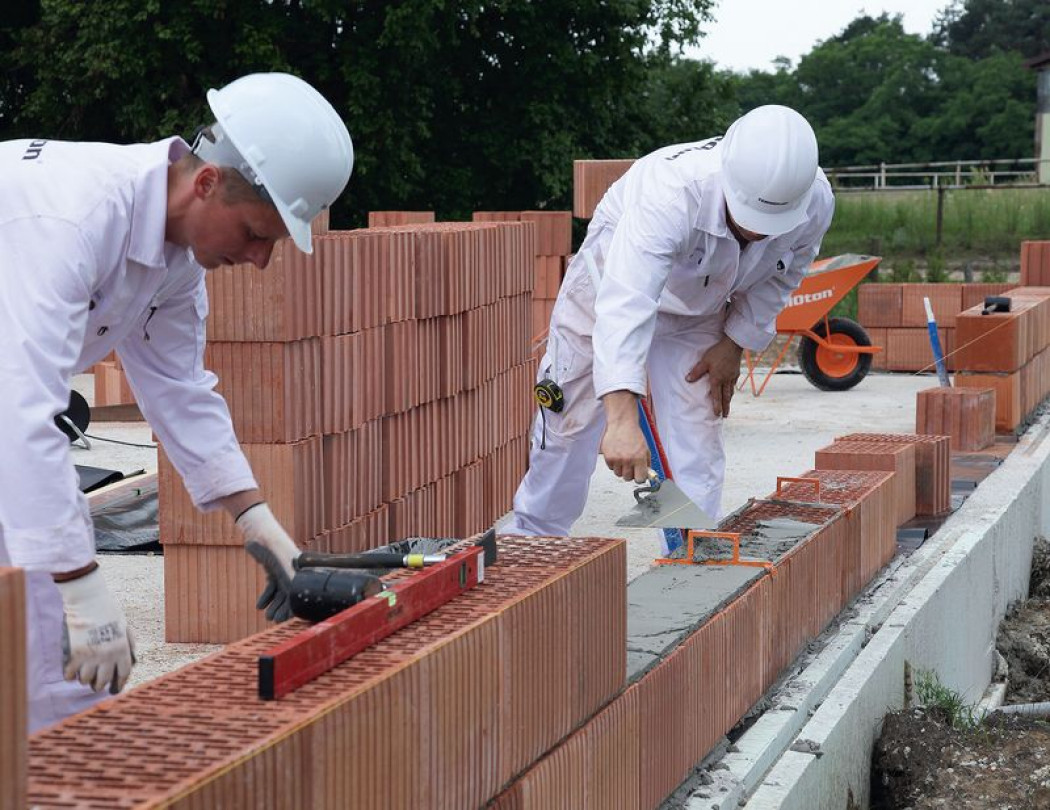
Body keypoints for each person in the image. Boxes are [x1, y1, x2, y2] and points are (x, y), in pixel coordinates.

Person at [0, 72, 353, 732]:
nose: (260, 260)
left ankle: (59, 760)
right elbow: (21, 416)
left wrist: (258, 523)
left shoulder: (176, 259)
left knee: (55, 666)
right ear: (207, 183)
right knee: (54, 618)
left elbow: (180, 389)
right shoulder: (70, 220)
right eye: (256, 233)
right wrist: (79, 581)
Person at [506, 105, 834, 537]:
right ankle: (535, 538)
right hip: (607, 288)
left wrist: (733, 342)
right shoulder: (671, 193)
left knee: (695, 443)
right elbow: (627, 303)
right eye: (749, 221)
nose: (758, 234)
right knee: (571, 426)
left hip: (698, 311)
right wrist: (621, 419)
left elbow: (782, 275)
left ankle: (689, 557)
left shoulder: (813, 201)